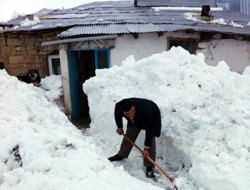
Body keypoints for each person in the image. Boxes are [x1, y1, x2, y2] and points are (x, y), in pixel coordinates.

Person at [108, 98, 161, 178]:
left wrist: (146, 148)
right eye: (128, 114)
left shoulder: (147, 111)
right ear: (123, 112)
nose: (131, 114)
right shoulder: (119, 107)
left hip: (152, 116)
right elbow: (117, 115)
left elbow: (149, 131)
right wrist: (120, 127)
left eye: (132, 112)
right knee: (129, 134)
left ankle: (149, 166)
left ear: (133, 107)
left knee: (151, 141)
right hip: (136, 119)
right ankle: (122, 154)